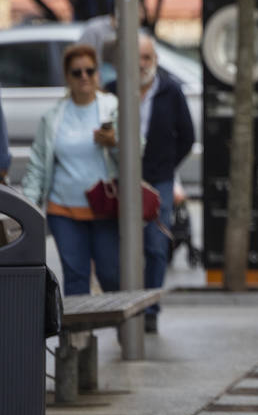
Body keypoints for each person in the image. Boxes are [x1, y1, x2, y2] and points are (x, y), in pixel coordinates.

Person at [107, 32, 195, 333]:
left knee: (156, 245)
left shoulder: (171, 91)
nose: (142, 64)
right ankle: (122, 306)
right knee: (120, 246)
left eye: (147, 57)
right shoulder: (111, 91)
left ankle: (150, 310)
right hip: (119, 180)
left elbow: (187, 136)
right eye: (136, 57)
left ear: (155, 60)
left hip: (159, 180)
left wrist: (166, 166)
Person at [23, 45, 121, 295]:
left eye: (90, 70)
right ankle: (78, 334)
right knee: (76, 277)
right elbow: (38, 162)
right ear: (67, 77)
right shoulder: (54, 116)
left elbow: (136, 151)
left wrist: (114, 142)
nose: (84, 77)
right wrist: (28, 206)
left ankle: (125, 332)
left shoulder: (112, 107)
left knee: (111, 274)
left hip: (105, 209)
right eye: (77, 72)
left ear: (98, 73)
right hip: (63, 209)